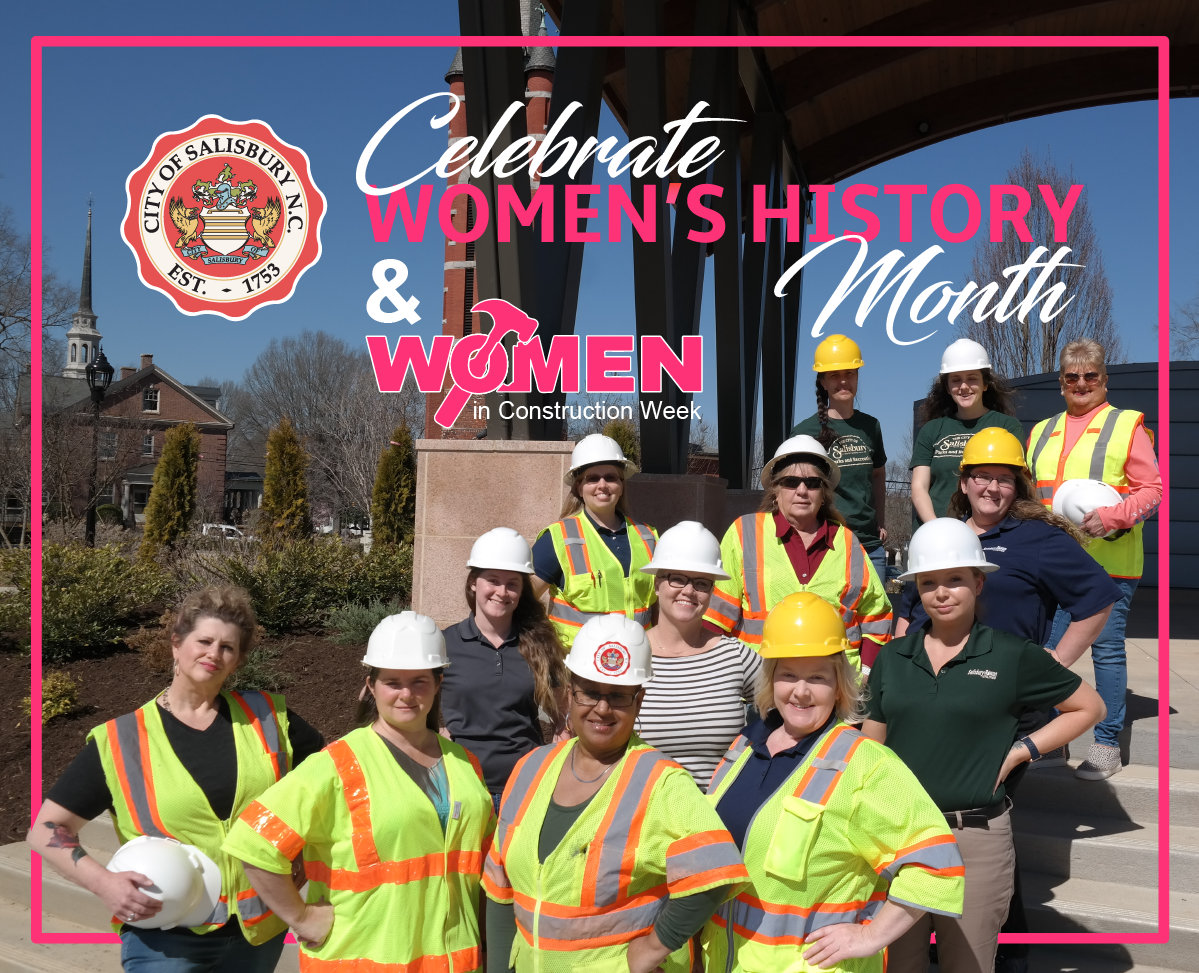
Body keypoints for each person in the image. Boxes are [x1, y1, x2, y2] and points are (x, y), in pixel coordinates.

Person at [28, 586, 326, 973]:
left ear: (237, 661)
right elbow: (46, 830)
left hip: (258, 933)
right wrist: (103, 883)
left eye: (228, 648)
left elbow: (330, 783)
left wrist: (305, 849)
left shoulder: (269, 717)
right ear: (176, 644)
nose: (213, 654)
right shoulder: (122, 740)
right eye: (204, 641)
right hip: (166, 938)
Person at [863, 519, 1106, 972]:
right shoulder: (895, 658)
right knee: (897, 964)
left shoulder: (1012, 655)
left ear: (978, 582)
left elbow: (1088, 708)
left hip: (974, 836)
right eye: (930, 582)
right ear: (916, 588)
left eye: (955, 579)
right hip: (899, 836)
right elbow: (870, 749)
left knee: (968, 964)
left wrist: (1022, 750)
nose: (942, 592)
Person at [703, 592, 965, 973]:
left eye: (818, 677)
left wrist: (870, 936)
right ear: (771, 679)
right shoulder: (745, 745)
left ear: (839, 684)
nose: (801, 691)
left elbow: (935, 865)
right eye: (788, 674)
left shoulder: (864, 764)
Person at [223, 611, 494, 971]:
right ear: (371, 685)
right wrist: (301, 917)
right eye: (392, 682)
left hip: (455, 962)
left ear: (438, 682)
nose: (406, 694)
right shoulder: (337, 764)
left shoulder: (464, 764)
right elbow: (252, 842)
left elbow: (481, 871)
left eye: (419, 682)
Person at [482, 614, 749, 973]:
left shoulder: (660, 781)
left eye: (618, 697)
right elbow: (501, 888)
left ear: (638, 701)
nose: (602, 708)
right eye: (590, 692)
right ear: (571, 693)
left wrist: (656, 947)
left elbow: (716, 872)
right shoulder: (531, 768)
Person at [1028, 338, 1162, 780]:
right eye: (1072, 377)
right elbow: (1033, 498)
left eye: (1090, 375)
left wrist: (1112, 516)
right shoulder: (1041, 431)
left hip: (1111, 561)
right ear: (1061, 383)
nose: (1081, 383)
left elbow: (1153, 491)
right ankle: (1052, 734)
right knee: (1047, 650)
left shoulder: (1126, 426)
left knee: (1104, 650)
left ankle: (1106, 743)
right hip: (1053, 563)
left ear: (1104, 380)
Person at [705, 434, 893, 670]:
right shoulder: (744, 533)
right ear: (775, 490)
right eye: (791, 482)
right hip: (760, 687)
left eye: (813, 483)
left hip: (836, 689)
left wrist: (865, 673)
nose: (802, 490)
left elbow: (877, 613)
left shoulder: (847, 541)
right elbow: (716, 617)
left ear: (824, 493)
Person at [440, 527, 570, 813]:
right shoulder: (444, 644)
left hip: (524, 788)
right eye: (493, 581)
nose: (502, 591)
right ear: (474, 582)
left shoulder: (540, 643)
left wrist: (563, 730)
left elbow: (564, 711)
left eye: (512, 583)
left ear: (522, 590)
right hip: (461, 789)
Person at [636, 521, 762, 787]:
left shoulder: (735, 657)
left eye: (701, 583)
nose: (689, 591)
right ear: (658, 583)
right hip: (642, 819)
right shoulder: (629, 655)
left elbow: (786, 707)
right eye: (677, 578)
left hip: (714, 820)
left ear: (712, 592)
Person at [531, 434, 659, 647]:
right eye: (592, 478)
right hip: (577, 670)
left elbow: (660, 607)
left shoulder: (649, 537)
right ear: (579, 488)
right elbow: (521, 598)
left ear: (621, 485)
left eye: (610, 477)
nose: (602, 485)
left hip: (636, 665)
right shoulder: (558, 538)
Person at [790, 333, 890, 577]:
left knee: (873, 614)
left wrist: (880, 521)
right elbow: (792, 488)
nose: (843, 381)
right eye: (835, 375)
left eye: (850, 374)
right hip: (826, 543)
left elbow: (877, 475)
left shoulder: (871, 426)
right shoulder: (804, 432)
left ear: (857, 377)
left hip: (869, 545)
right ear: (822, 382)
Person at [911, 338, 1024, 525]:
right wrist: (936, 527)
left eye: (972, 378)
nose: (964, 386)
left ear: (985, 384)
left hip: (990, 532)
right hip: (935, 532)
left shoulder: (1007, 427)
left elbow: (1013, 484)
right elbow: (919, 487)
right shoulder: (931, 430)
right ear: (947, 388)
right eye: (956, 380)